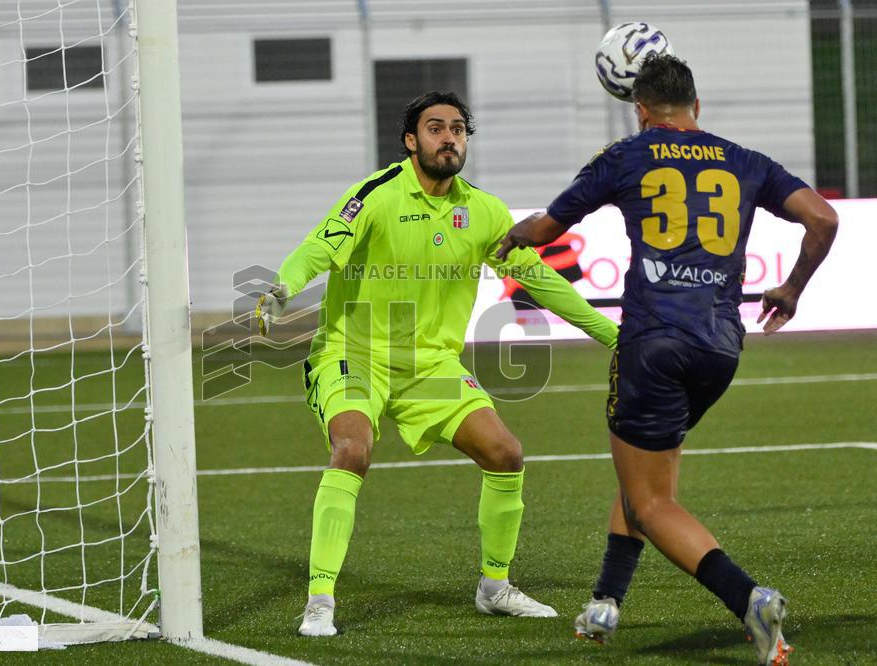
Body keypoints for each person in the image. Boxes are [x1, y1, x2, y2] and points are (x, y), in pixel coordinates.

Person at [496, 54, 837, 665]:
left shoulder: (627, 156)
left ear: (642, 111)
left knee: (652, 502)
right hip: (720, 346)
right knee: (645, 478)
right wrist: (792, 288)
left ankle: (749, 599)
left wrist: (511, 236)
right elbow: (824, 218)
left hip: (653, 342)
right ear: (697, 108)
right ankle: (605, 602)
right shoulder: (746, 161)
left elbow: (549, 226)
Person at [255, 91, 620, 637]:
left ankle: (494, 587)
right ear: (411, 140)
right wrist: (284, 286)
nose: (448, 138)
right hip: (354, 355)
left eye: (457, 129)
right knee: (352, 450)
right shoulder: (376, 195)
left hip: (431, 366)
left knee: (505, 453)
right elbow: (320, 246)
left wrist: (616, 337)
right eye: (435, 128)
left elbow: (539, 280)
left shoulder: (485, 212)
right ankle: (320, 599)